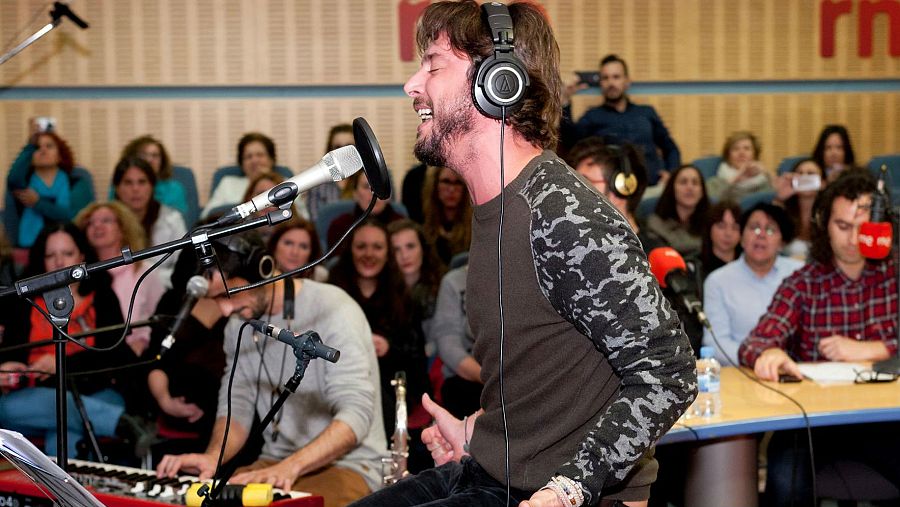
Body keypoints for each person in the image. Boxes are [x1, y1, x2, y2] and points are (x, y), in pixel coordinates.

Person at [352, 2, 696, 506]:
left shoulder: (562, 213)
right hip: (494, 472)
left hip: (565, 493)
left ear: (497, 82)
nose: (412, 84)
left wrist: (567, 489)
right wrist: (477, 434)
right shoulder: (496, 204)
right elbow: (554, 378)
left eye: (433, 64)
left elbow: (669, 371)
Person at [156, 233, 387, 507]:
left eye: (229, 294)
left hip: (352, 466)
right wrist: (212, 457)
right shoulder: (238, 325)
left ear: (263, 269)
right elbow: (237, 407)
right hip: (275, 462)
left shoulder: (333, 308)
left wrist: (290, 467)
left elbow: (356, 415)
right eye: (215, 299)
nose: (226, 309)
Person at [738, 170, 898, 507]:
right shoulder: (804, 282)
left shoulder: (893, 275)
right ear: (825, 223)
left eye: (863, 227)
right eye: (843, 226)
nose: (853, 238)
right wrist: (770, 355)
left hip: (885, 422)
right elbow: (755, 343)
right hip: (813, 427)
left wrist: (878, 349)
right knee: (784, 480)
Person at [0, 223, 136, 458]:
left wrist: (60, 364)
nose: (59, 262)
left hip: (96, 392)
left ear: (82, 255)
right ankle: (121, 423)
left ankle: (60, 496)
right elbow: (10, 353)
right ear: (40, 260)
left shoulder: (103, 294)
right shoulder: (24, 301)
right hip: (34, 397)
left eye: (67, 254)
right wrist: (5, 368)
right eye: (50, 255)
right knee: (7, 408)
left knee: (62, 434)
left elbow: (116, 356)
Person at [328, 219, 430, 443]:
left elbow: (416, 362)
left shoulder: (403, 297)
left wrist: (389, 349)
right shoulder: (332, 291)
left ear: (387, 254)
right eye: (361, 246)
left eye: (377, 247)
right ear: (350, 250)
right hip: (339, 379)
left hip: (388, 384)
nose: (369, 254)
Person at [702, 203, 802, 365]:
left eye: (770, 230)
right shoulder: (718, 281)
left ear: (782, 243)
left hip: (795, 367)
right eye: (754, 228)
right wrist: (758, 359)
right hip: (742, 371)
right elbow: (716, 342)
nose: (761, 235)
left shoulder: (798, 274)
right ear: (741, 238)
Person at [560, 54, 680, 185]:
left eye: (616, 77)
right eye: (605, 78)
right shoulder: (593, 116)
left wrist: (670, 174)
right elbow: (569, 142)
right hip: (610, 191)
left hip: (651, 188)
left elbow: (671, 149)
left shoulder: (646, 113)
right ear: (601, 83)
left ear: (627, 81)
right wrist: (565, 100)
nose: (611, 83)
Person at [75, 202, 166, 356]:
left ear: (122, 229)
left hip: (138, 353)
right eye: (90, 222)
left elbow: (161, 315)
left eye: (106, 220)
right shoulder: (80, 275)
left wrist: (143, 340)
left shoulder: (143, 270)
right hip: (91, 355)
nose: (97, 226)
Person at [6, 120, 91, 248]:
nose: (43, 150)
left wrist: (38, 203)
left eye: (49, 146)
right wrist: (30, 145)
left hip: (69, 248)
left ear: (60, 156)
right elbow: (13, 179)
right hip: (29, 249)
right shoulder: (24, 183)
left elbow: (77, 217)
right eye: (37, 147)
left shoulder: (77, 182)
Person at [112, 156, 187, 288]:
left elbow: (183, 270)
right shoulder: (106, 222)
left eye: (142, 182)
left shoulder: (172, 219)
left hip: (164, 292)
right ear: (117, 188)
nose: (135, 189)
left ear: (152, 187)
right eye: (128, 183)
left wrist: (148, 277)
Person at [428, 264, 481, 419]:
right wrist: (489, 377)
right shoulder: (453, 282)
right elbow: (448, 346)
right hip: (466, 379)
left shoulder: (518, 276)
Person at [202, 133, 278, 218]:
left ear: (271, 160)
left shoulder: (284, 182)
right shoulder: (228, 184)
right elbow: (207, 216)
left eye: (260, 155)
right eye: (248, 157)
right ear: (242, 164)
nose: (254, 160)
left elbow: (295, 215)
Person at [326, 172, 405, 251]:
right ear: (355, 193)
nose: (373, 192)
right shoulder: (340, 226)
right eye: (366, 187)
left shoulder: (402, 225)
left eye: (378, 186)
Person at [646, 164, 710, 260]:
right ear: (672, 188)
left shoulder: (712, 223)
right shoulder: (655, 223)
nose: (690, 187)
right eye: (683, 182)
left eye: (695, 183)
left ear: (702, 191)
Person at [120, 135, 189, 218]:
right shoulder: (120, 185)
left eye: (155, 155)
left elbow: (179, 224)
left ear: (162, 161)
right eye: (143, 155)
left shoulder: (174, 189)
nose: (150, 160)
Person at [774, 158, 824, 260]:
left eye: (810, 174)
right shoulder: (783, 211)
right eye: (800, 173)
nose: (804, 177)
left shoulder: (829, 214)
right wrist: (779, 199)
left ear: (823, 183)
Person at [421, 167, 472, 265]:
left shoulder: (476, 227)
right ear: (435, 185)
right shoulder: (422, 224)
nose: (452, 189)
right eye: (446, 182)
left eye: (458, 183)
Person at [307, 124, 355, 223]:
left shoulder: (369, 180)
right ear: (330, 150)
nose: (343, 152)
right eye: (338, 147)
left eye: (348, 146)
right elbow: (316, 222)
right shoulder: (317, 182)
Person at [706, 131, 773, 202]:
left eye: (747, 149)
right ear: (728, 157)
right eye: (735, 149)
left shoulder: (764, 183)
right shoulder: (714, 183)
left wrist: (767, 174)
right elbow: (711, 204)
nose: (741, 153)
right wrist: (736, 179)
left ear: (755, 155)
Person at [267, 217, 329, 282]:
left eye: (303, 247)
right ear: (274, 246)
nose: (295, 252)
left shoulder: (320, 279)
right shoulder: (258, 276)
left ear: (311, 253)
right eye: (288, 243)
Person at [699, 201, 742, 281]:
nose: (728, 233)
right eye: (721, 226)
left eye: (735, 228)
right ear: (709, 229)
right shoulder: (696, 268)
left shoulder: (748, 267)